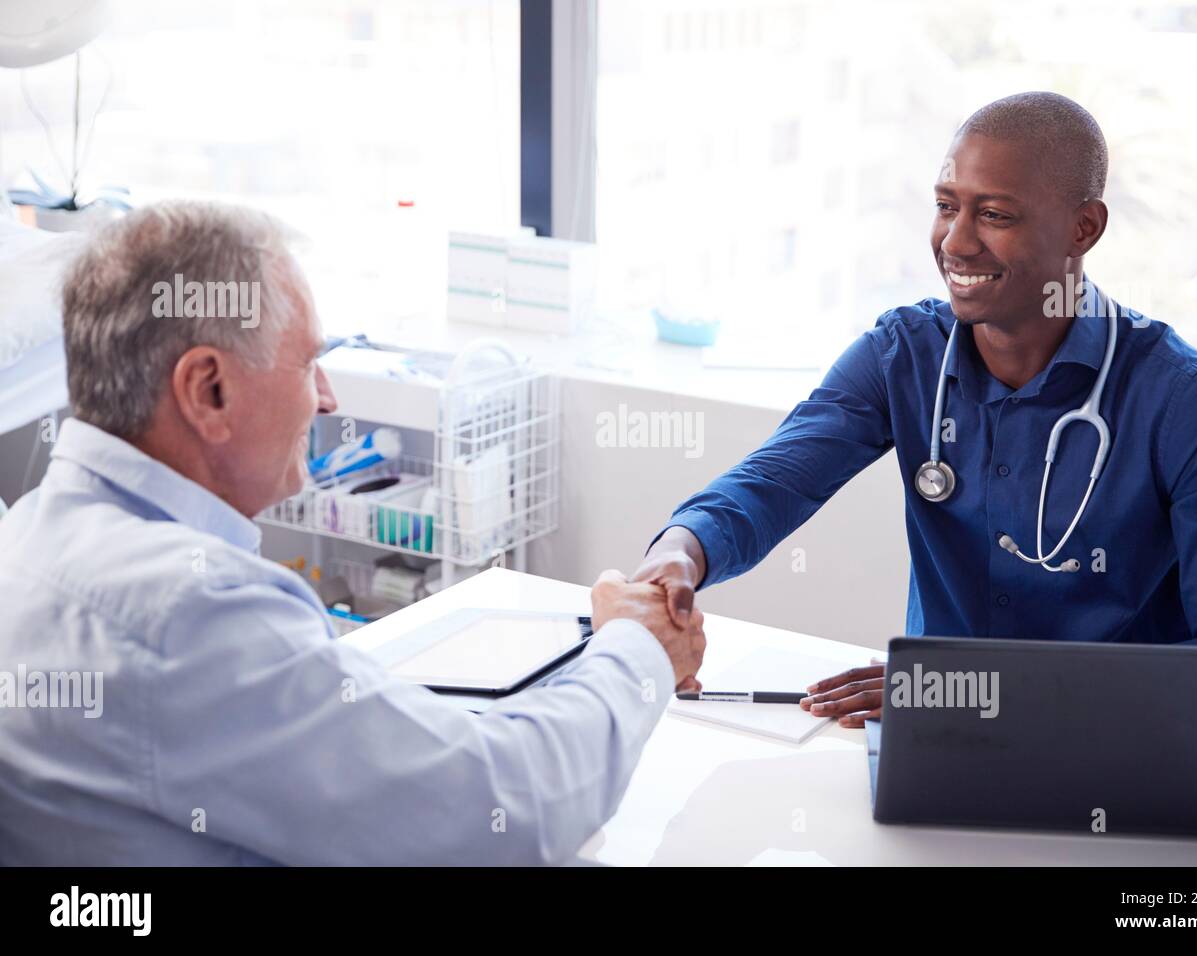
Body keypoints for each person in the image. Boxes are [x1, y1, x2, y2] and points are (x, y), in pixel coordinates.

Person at [0, 201, 705, 865]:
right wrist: (638, 650)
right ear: (208, 390)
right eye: (308, 362)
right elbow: (508, 810)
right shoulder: (190, 613)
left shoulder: (29, 534)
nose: (327, 398)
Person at [633, 92, 1197, 730]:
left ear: (1083, 227)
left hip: (1121, 746)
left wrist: (985, 693)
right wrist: (679, 555)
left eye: (995, 215)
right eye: (946, 205)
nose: (954, 241)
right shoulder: (904, 354)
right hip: (937, 739)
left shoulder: (1183, 400)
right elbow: (771, 484)